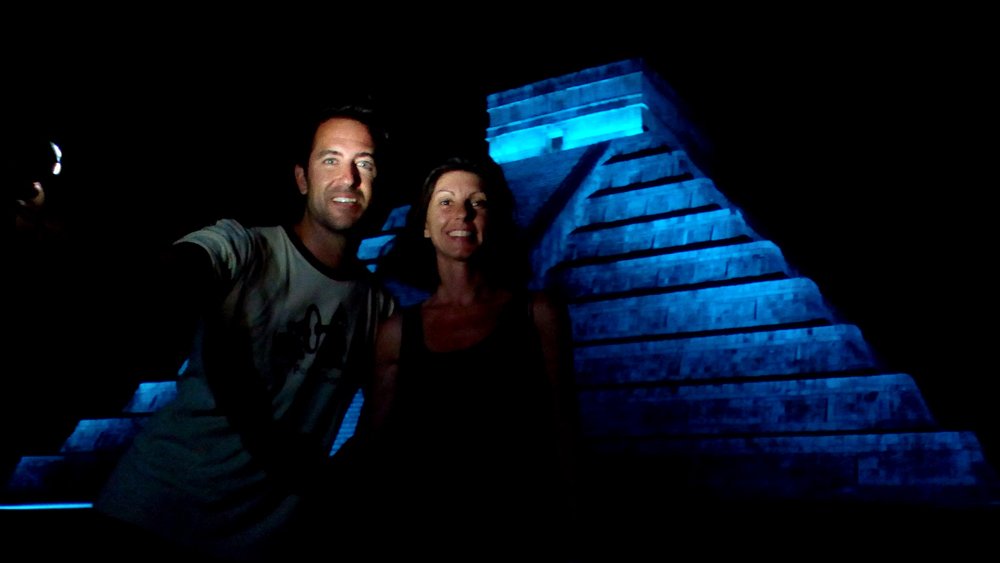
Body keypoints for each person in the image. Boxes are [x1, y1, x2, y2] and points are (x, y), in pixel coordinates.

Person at [92, 101, 397, 562]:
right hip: (152, 514)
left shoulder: (379, 307)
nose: (349, 179)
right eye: (330, 159)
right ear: (302, 178)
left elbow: (379, 425)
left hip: (263, 545)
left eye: (365, 164)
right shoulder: (246, 246)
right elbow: (182, 267)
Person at [366, 153, 580, 559]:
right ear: (425, 225)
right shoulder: (395, 333)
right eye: (445, 201)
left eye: (477, 202)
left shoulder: (539, 313)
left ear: (493, 219)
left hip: (523, 531)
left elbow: (563, 428)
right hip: (425, 534)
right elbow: (376, 447)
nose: (461, 214)